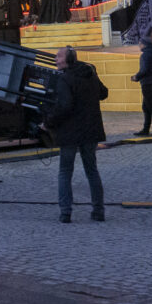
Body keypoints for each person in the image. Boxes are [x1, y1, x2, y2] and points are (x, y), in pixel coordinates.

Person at [44, 46, 107, 223]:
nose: (56, 59)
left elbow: (64, 106)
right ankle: (98, 211)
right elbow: (104, 93)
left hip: (70, 132)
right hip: (90, 131)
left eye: (58, 56)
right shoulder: (90, 74)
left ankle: (65, 212)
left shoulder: (65, 79)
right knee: (92, 171)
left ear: (68, 60)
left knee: (65, 172)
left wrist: (48, 122)